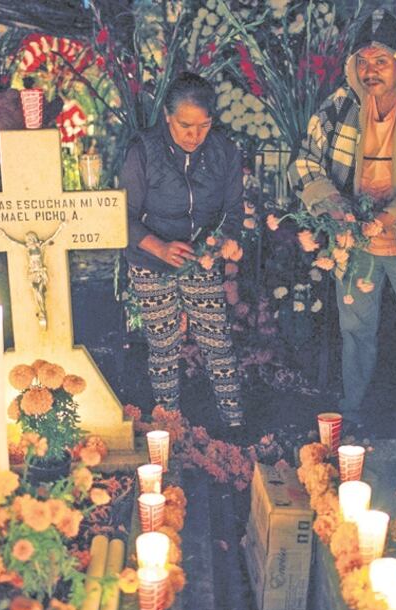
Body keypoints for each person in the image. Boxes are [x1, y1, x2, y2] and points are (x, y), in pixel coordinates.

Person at [289, 9, 396, 431]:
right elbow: (304, 163)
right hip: (354, 239)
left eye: (380, 61)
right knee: (355, 333)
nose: (370, 71)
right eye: (362, 62)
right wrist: (333, 206)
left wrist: (386, 218)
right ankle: (352, 416)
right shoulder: (339, 106)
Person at [120, 72, 246, 433]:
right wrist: (158, 247)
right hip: (148, 260)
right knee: (163, 346)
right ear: (167, 118)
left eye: (203, 126)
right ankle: (169, 427)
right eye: (185, 126)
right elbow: (120, 216)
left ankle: (234, 425)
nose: (194, 136)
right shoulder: (143, 151)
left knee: (217, 340)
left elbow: (233, 209)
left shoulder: (224, 150)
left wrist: (228, 238)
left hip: (199, 257)